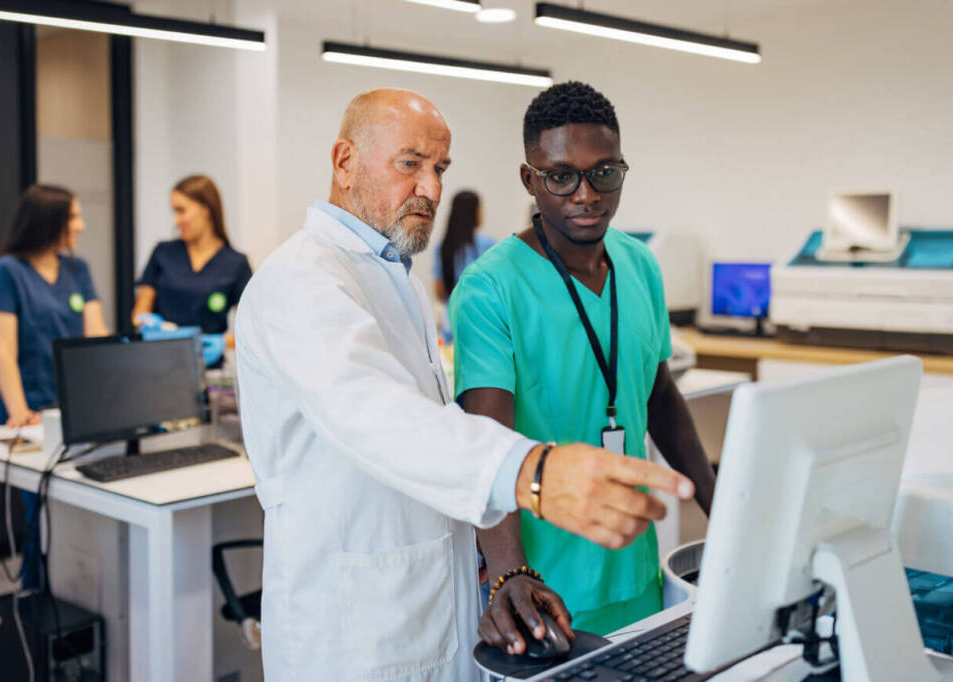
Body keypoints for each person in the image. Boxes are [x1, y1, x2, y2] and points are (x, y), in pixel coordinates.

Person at [234, 88, 696, 681]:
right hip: (353, 629)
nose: (430, 188)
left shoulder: (390, 275)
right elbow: (377, 417)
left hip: (434, 602)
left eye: (440, 168)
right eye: (410, 164)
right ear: (344, 162)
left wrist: (502, 566)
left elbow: (439, 437)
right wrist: (531, 472)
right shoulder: (301, 281)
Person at [449, 82, 718, 648]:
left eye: (604, 173)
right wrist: (509, 573)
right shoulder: (490, 287)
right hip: (544, 587)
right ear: (530, 179)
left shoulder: (639, 264)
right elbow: (485, 441)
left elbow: (658, 394)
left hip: (635, 566)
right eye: (561, 176)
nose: (585, 194)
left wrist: (722, 507)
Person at [0, 183, 109, 586]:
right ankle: (37, 595)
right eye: (73, 217)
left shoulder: (77, 269)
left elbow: (96, 337)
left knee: (78, 509)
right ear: (49, 222)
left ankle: (75, 593)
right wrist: (18, 409)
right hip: (26, 410)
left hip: (70, 409)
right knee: (40, 511)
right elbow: (3, 350)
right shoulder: (7, 273)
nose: (82, 225)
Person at [132, 175, 251, 341]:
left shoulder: (236, 263)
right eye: (174, 212)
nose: (176, 221)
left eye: (181, 211)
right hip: (160, 358)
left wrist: (220, 343)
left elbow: (252, 330)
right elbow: (140, 312)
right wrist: (146, 322)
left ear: (206, 209)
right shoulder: (163, 252)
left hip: (208, 365)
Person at [432, 190, 495, 304]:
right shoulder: (488, 245)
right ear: (474, 212)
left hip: (450, 315)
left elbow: (439, 292)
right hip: (479, 314)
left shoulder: (442, 246)